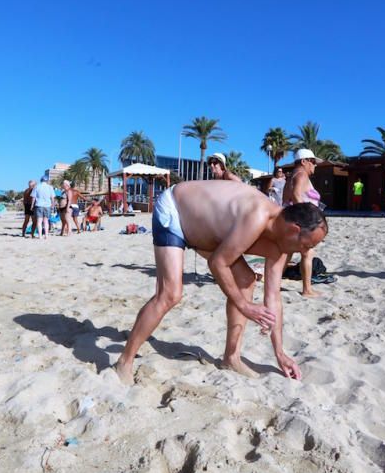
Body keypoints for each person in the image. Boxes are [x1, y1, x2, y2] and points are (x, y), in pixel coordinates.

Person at [113, 180, 328, 384]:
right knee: (170, 294)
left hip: (209, 234)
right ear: (294, 230)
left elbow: (273, 298)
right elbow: (218, 263)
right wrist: (245, 307)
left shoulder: (282, 248)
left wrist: (280, 353)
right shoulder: (257, 217)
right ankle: (125, 361)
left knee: (246, 279)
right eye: (306, 246)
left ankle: (230, 358)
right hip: (176, 211)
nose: (306, 252)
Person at [282, 148, 323, 297]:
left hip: (288, 220)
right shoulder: (301, 174)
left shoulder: (291, 177)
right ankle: (307, 290)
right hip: (299, 222)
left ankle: (271, 282)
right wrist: (305, 219)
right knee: (308, 253)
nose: (315, 165)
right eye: (313, 162)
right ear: (304, 162)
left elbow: (285, 200)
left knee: (287, 253)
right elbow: (296, 195)